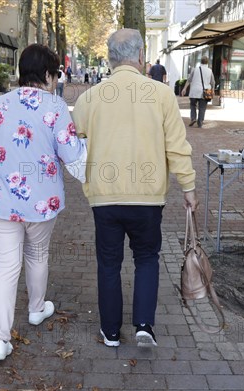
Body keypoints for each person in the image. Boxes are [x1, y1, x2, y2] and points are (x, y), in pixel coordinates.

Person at [72, 29, 198, 348]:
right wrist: (188, 186)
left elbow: (75, 135)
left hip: (105, 196)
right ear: (141, 56)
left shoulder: (91, 97)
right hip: (147, 197)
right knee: (146, 258)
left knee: (109, 263)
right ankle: (144, 325)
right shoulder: (161, 94)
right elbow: (177, 146)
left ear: (110, 58)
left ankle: (111, 332)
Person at [0, 44, 87, 361]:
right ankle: (36, 309)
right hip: (41, 202)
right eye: (55, 75)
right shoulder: (55, 107)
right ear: (48, 74)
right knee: (37, 255)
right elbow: (73, 159)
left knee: (6, 266)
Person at [180, 56, 215, 128]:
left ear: (200, 61)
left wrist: (184, 89)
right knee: (202, 108)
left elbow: (189, 80)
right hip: (205, 91)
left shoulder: (195, 69)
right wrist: (213, 90)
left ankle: (193, 118)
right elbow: (213, 82)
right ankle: (200, 122)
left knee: (193, 105)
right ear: (207, 62)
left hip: (194, 91)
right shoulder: (209, 71)